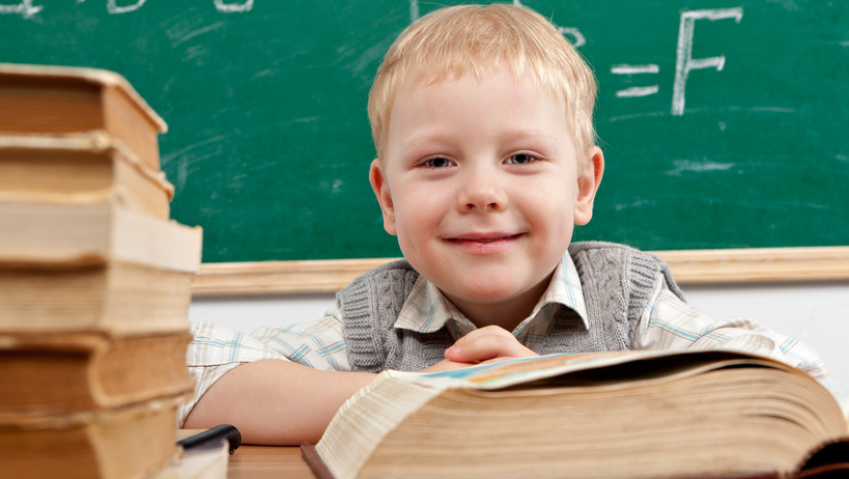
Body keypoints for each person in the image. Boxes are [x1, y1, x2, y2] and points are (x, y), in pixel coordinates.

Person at [182, 3, 828, 445]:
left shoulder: (624, 300)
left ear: (581, 187)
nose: (482, 192)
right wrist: (420, 392)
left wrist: (548, 391)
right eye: (437, 161)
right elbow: (186, 373)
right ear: (387, 198)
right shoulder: (375, 320)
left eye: (521, 158)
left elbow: (789, 388)